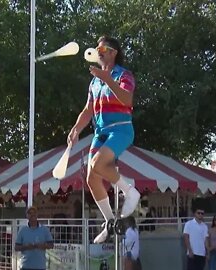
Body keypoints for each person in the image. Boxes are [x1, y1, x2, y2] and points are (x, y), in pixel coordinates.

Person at [67, 35, 140, 243]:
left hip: (121, 129)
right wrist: (75, 129)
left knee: (98, 164)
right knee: (91, 177)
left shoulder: (124, 75)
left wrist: (108, 79)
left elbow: (127, 99)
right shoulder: (94, 82)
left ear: (113, 52)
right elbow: (88, 109)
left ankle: (130, 192)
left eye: (102, 48)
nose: (98, 51)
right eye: (96, 48)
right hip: (101, 131)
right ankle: (110, 223)